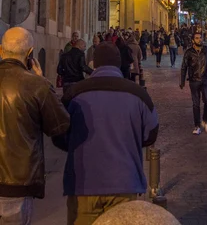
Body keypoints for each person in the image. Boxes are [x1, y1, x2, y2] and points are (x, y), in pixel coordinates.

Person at [54, 42, 158, 225]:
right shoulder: (138, 94)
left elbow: (58, 133)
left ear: (94, 64)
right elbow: (150, 135)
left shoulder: (74, 95)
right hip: (125, 182)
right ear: (118, 64)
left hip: (83, 184)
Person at [0, 27, 70, 225]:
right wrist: (43, 82)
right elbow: (60, 125)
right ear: (31, 54)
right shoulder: (36, 85)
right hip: (16, 183)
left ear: (0, 51)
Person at [180, 31, 207, 135]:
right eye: (196, 38)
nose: (199, 39)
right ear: (193, 40)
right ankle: (197, 125)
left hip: (205, 80)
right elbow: (184, 67)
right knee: (196, 104)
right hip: (194, 81)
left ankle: (205, 121)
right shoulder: (189, 52)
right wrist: (182, 81)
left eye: (200, 37)